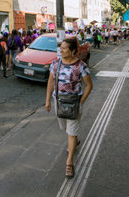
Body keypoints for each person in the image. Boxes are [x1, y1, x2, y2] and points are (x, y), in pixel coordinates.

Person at [45, 38, 93, 179]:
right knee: (66, 129)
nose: (61, 50)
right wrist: (48, 100)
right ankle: (74, 140)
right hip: (59, 102)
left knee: (71, 132)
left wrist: (81, 102)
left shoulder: (81, 66)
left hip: (74, 104)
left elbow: (89, 86)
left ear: (73, 51)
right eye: (61, 47)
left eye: (65, 48)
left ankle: (69, 162)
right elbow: (50, 81)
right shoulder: (55, 64)